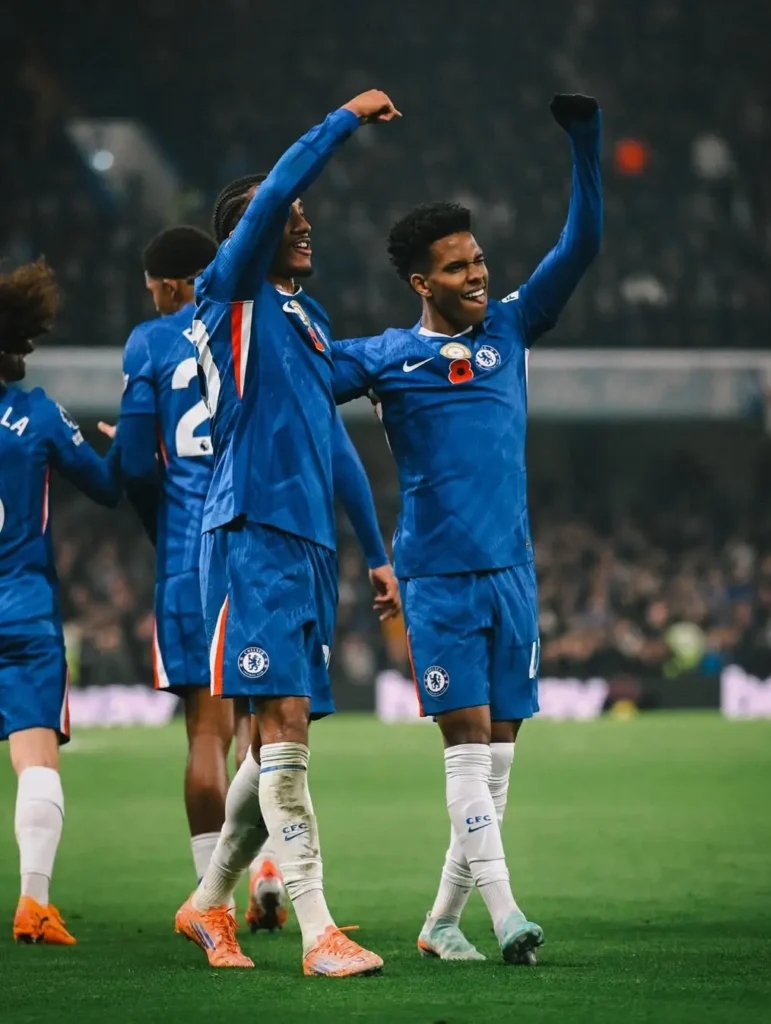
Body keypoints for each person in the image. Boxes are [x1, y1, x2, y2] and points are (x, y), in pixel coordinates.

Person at [332, 94, 603, 964]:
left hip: (512, 575)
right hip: (438, 581)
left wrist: (584, 141)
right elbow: (298, 378)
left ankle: (441, 920)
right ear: (422, 281)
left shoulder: (512, 329)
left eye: (479, 260)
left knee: (497, 769)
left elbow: (583, 245)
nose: (477, 275)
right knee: (463, 757)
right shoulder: (385, 357)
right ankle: (506, 915)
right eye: (457, 267)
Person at [113, 225, 399, 935]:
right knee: (271, 727)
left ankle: (215, 898)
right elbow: (338, 454)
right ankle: (264, 875)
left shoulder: (156, 341)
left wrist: (150, 516)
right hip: (278, 535)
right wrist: (374, 548)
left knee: (210, 734)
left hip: (198, 548)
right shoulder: (274, 327)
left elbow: (136, 467)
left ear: (173, 285)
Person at [174, 89, 402, 975]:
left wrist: (376, 552)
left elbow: (337, 441)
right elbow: (270, 198)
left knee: (279, 734)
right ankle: (317, 933)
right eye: (291, 218)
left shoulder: (305, 322)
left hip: (308, 544)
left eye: (308, 219)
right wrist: (341, 120)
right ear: (251, 232)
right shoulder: (225, 297)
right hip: (251, 529)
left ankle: (205, 905)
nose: (304, 228)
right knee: (284, 725)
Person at [0, 260, 121, 944]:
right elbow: (105, 487)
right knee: (35, 760)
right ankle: (33, 904)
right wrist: (129, 439)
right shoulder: (36, 415)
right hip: (20, 611)